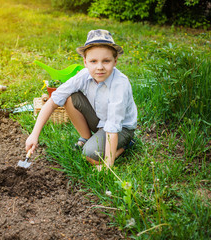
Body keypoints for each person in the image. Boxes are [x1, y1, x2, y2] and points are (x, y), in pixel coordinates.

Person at [25, 29, 137, 170]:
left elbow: (113, 127)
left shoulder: (120, 84)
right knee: (69, 97)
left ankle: (126, 145)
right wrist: (34, 135)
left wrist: (108, 165)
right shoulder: (83, 76)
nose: (99, 67)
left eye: (106, 61)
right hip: (100, 119)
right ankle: (86, 138)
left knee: (89, 155)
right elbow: (54, 100)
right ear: (85, 62)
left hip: (121, 128)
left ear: (115, 61)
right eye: (93, 61)